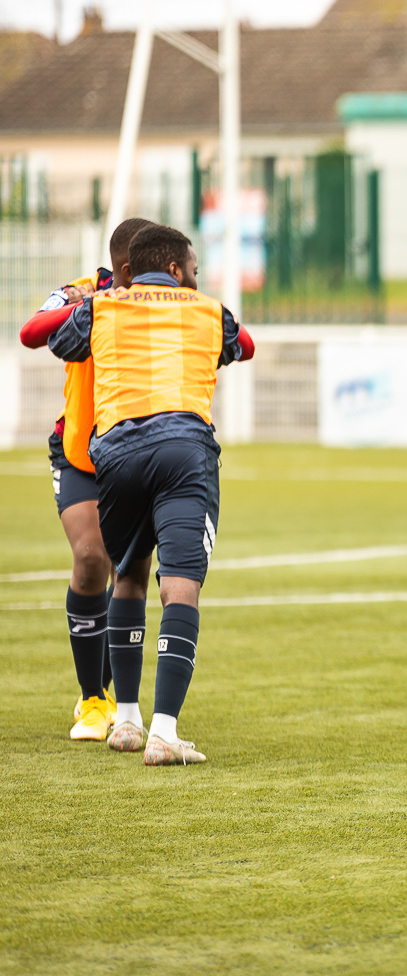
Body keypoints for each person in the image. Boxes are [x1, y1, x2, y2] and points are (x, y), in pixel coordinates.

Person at [46, 223, 255, 766]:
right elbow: (241, 348)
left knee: (130, 577)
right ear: (181, 269)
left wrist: (88, 298)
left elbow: (55, 339)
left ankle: (127, 722)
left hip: (115, 454)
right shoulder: (206, 308)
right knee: (180, 587)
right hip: (184, 449)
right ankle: (164, 733)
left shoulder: (105, 305)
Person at [18, 217, 152, 741]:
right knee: (92, 556)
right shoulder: (84, 291)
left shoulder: (166, 303)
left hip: (138, 455)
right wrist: (83, 304)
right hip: (79, 453)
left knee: (128, 572)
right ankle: (95, 701)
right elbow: (31, 333)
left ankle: (107, 691)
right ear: (123, 268)